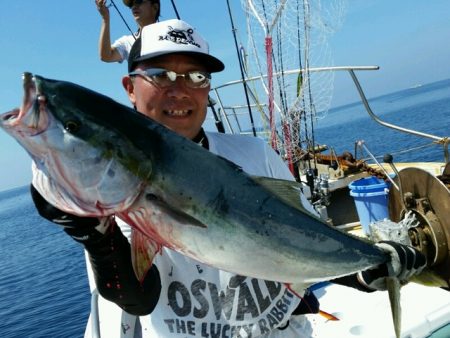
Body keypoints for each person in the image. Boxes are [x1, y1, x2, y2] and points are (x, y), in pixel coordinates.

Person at [31, 19, 427, 338]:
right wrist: (90, 231)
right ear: (129, 88)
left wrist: (366, 269)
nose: (180, 91)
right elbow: (138, 300)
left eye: (197, 78)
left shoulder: (254, 154)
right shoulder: (115, 181)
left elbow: (306, 242)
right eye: (160, 75)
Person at [95, 0, 160, 63]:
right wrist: (105, 18)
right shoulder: (127, 41)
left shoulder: (169, 31)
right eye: (131, 4)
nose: (134, 6)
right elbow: (106, 56)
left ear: (155, 7)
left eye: (138, 1)